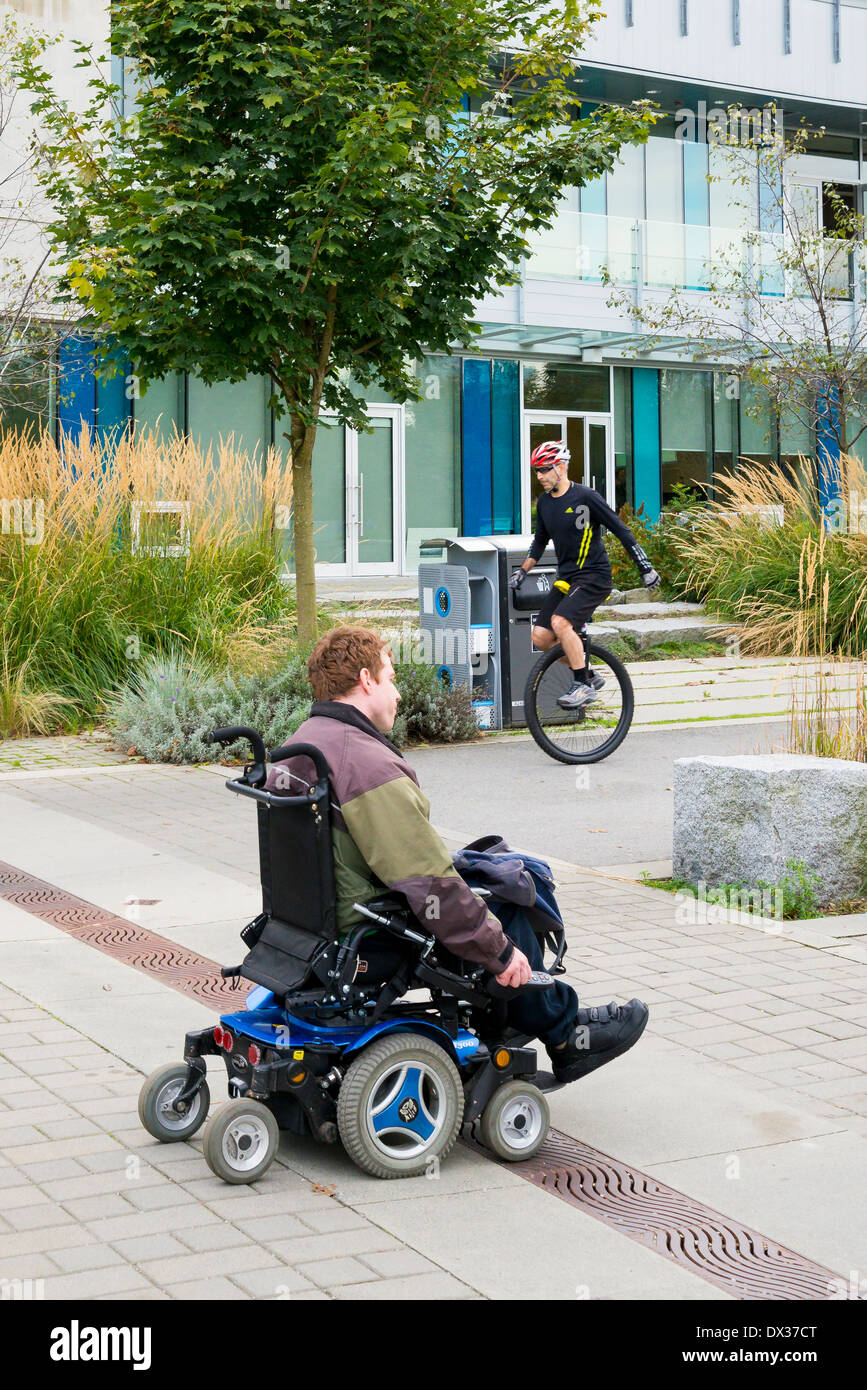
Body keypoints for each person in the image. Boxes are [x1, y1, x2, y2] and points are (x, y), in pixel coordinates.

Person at [266, 625, 648, 1082]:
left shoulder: (303, 742)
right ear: (366, 681)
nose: (399, 693)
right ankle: (565, 1035)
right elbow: (429, 884)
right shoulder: (364, 765)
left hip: (307, 928)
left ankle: (513, 1018)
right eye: (391, 678)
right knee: (508, 898)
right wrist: (500, 951)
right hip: (367, 934)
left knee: (487, 878)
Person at [510, 440, 661, 710]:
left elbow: (621, 530)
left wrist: (645, 567)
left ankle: (582, 685)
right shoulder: (545, 503)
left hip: (594, 576)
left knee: (560, 622)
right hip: (567, 577)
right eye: (536, 471)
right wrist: (522, 571)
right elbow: (540, 542)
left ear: (561, 467)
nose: (539, 476)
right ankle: (589, 674)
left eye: (544, 470)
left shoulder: (586, 497)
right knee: (541, 637)